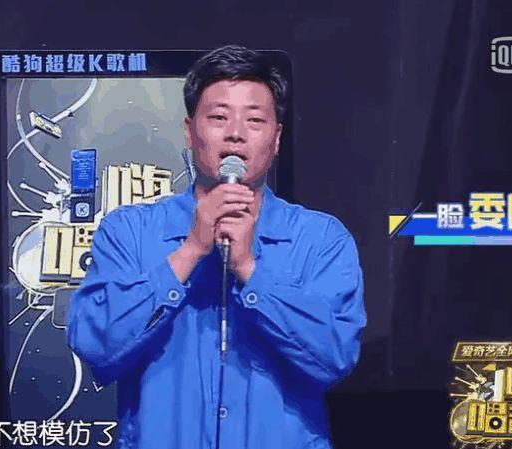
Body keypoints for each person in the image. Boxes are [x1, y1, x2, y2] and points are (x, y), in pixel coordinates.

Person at [67, 45, 366, 449]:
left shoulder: (321, 239)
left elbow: (334, 357)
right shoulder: (129, 232)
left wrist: (249, 269)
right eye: (219, 117)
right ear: (189, 131)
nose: (236, 133)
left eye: (255, 120)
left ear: (277, 138)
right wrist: (190, 249)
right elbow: (95, 345)